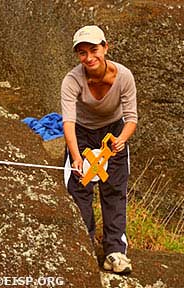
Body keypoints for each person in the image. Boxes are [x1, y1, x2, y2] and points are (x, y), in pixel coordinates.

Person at [61, 25, 137, 275]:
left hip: (113, 131)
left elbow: (132, 118)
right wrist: (75, 158)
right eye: (82, 53)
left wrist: (121, 140)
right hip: (81, 133)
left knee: (114, 189)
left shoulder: (124, 76)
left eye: (94, 49)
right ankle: (83, 247)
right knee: (79, 189)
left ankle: (115, 252)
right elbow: (68, 122)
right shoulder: (72, 80)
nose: (89, 57)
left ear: (105, 47)